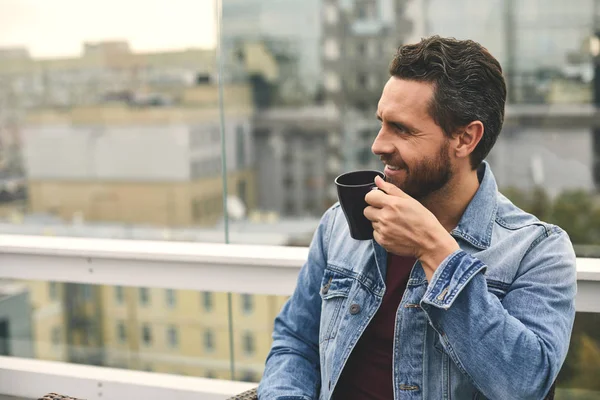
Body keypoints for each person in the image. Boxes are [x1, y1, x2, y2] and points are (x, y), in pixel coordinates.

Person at [258, 36, 577, 400]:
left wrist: (435, 251)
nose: (378, 144)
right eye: (382, 123)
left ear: (465, 139)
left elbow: (525, 384)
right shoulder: (340, 224)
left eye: (402, 129)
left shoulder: (537, 251)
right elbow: (295, 342)